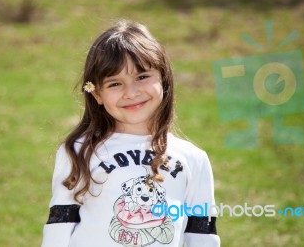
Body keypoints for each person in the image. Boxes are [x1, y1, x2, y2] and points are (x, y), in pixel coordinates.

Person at [42, 20, 220, 247]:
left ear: (163, 78)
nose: (131, 92)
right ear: (97, 94)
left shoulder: (194, 159)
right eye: (115, 83)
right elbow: (59, 228)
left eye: (142, 77)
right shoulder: (79, 151)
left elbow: (202, 236)